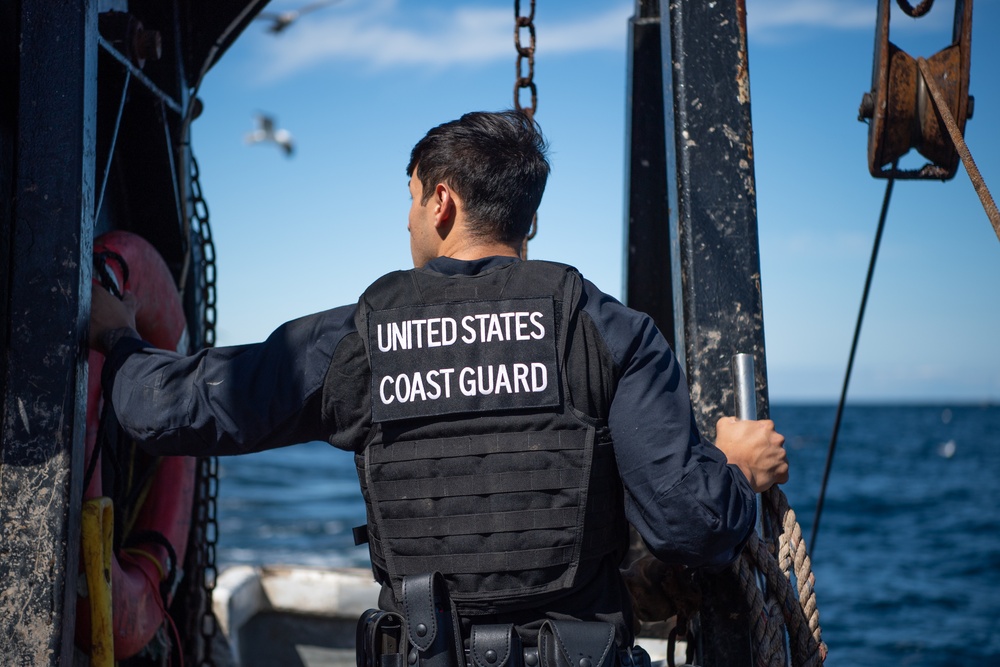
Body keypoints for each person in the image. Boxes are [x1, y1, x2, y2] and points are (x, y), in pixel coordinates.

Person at [90, 110, 787, 654]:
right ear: (530, 219)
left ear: (442, 202)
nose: (408, 218)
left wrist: (117, 336)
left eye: (412, 198)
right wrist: (735, 466)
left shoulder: (361, 338)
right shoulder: (612, 333)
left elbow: (169, 410)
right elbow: (689, 527)